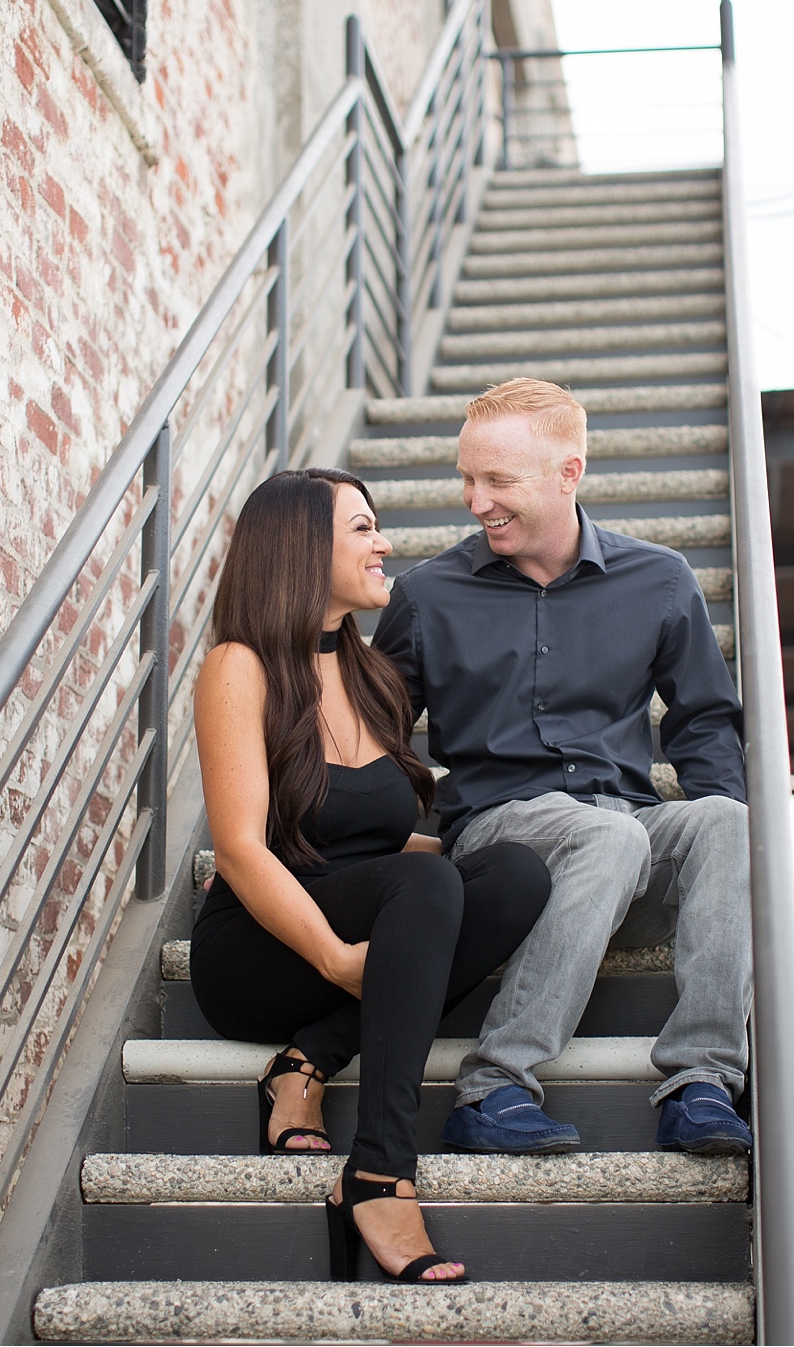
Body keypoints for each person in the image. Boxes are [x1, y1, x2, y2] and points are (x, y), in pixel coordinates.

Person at [373, 378, 754, 1157]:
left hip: (629, 833)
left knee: (725, 819)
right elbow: (371, 741)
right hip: (503, 844)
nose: (476, 500)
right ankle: (494, 1085)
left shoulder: (660, 579)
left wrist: (734, 873)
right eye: (466, 479)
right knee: (606, 840)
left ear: (568, 473)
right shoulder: (425, 594)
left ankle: (703, 1079)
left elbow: (706, 722)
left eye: (498, 482)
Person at [190, 467, 551, 1283]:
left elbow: (383, 841)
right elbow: (242, 849)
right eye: (362, 527)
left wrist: (472, 881)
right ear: (299, 547)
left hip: (364, 924)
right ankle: (379, 1170)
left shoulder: (374, 676)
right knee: (424, 886)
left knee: (515, 875)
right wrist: (334, 957)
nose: (384, 542)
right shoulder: (238, 667)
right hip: (259, 947)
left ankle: (310, 1056)